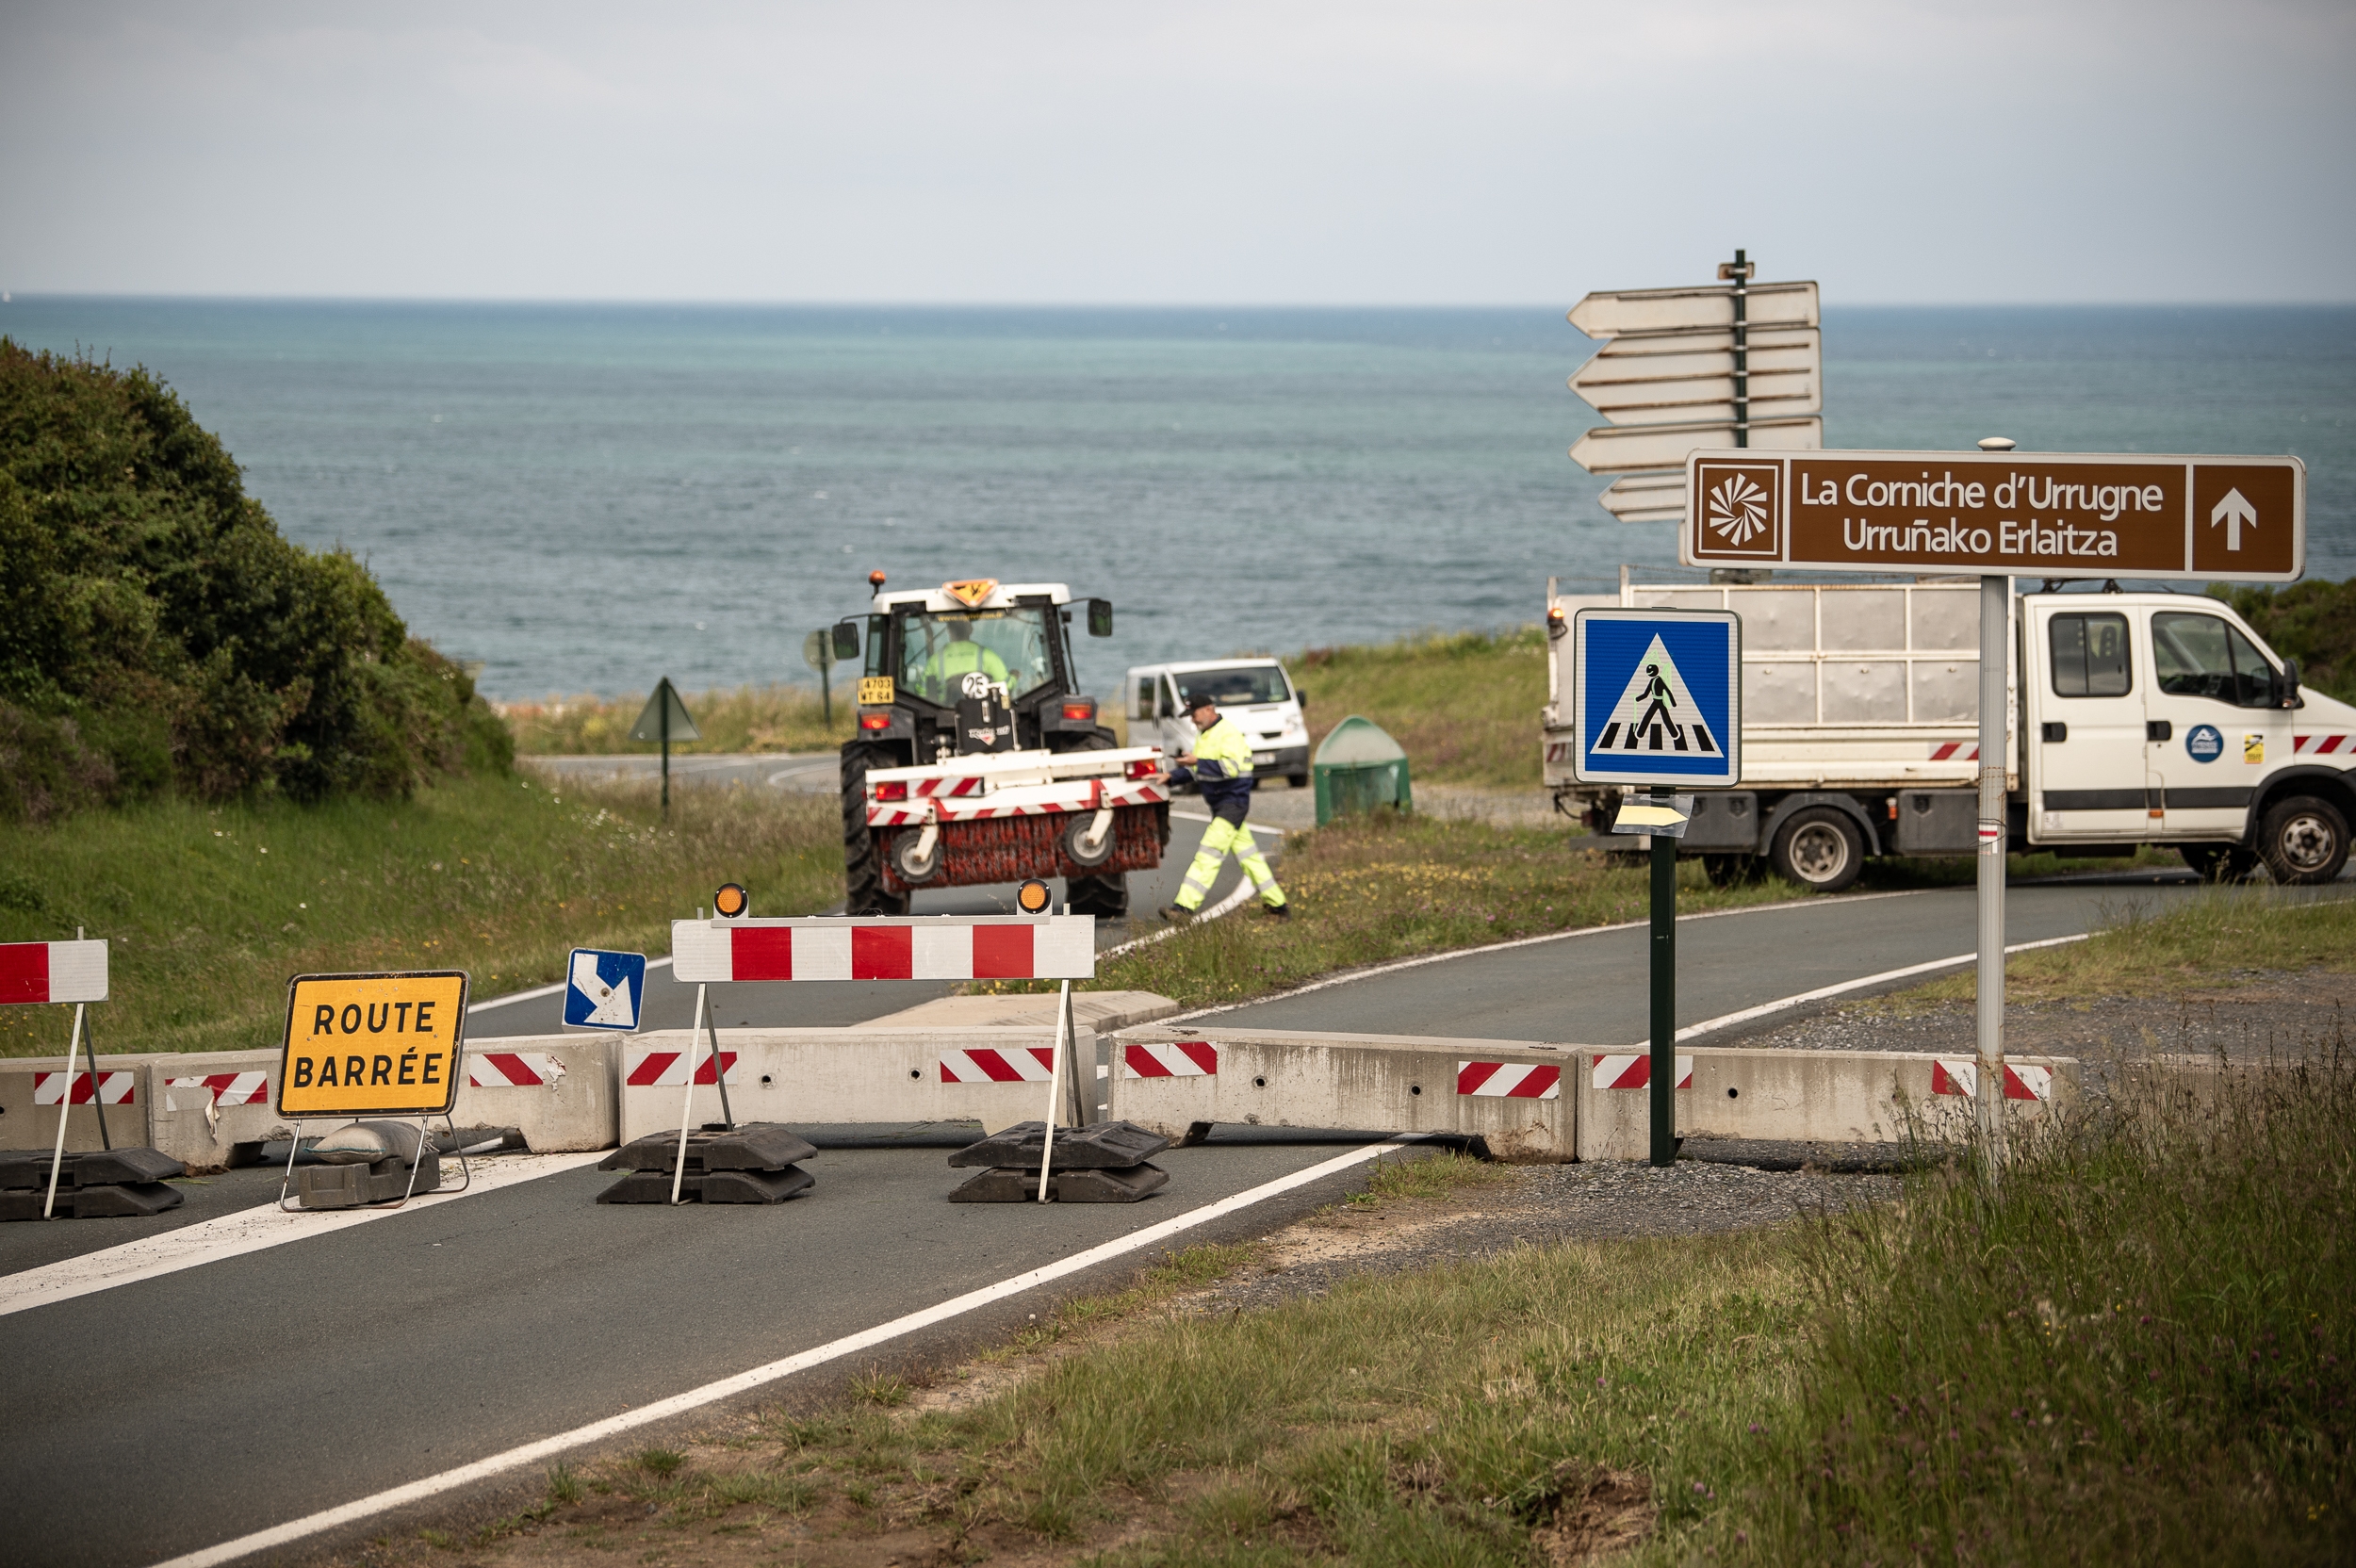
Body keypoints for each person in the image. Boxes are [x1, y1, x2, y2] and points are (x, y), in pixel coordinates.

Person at [1161, 694, 1288, 921]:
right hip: (1222, 805)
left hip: (1232, 803)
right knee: (1250, 858)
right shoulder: (1206, 735)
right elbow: (1197, 770)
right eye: (1190, 715)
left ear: (1209, 709)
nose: (1192, 720)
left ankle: (1183, 908)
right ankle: (1278, 907)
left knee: (1208, 853)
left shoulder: (1227, 733)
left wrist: (1196, 762)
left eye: (1195, 714)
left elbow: (1230, 768)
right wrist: (1170, 777)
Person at [922, 617, 1010, 701]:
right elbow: (1007, 685)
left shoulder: (934, 660)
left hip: (945, 714)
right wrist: (1014, 677)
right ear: (971, 630)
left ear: (948, 630)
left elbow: (922, 691)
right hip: (983, 712)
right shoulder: (988, 656)